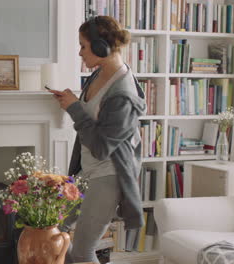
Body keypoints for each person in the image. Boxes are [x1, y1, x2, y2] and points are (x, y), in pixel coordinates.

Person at [48, 16, 147, 263]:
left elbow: (102, 147)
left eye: (83, 45)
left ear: (101, 47)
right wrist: (72, 101)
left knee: (83, 252)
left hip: (109, 176)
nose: (80, 52)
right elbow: (90, 119)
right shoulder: (99, 74)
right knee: (51, 230)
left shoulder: (123, 93)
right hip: (89, 172)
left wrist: (74, 108)